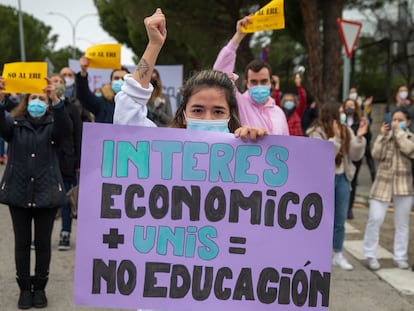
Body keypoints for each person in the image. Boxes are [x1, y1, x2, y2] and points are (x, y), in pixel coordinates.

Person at [0, 76, 71, 309]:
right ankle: (24, 289)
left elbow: (66, 128)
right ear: (25, 100)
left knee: (42, 243)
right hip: (18, 193)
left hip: (47, 194)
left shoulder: (54, 124)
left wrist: (56, 99)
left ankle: (39, 288)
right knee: (22, 243)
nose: (37, 102)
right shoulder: (15, 125)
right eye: (33, 98)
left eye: (41, 98)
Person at [307, 102, 367, 270]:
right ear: (330, 113)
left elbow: (354, 155)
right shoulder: (315, 132)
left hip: (341, 178)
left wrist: (360, 137)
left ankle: (338, 254)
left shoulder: (346, 130)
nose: (343, 114)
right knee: (319, 220)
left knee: (339, 220)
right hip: (322, 181)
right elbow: (322, 157)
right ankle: (317, 254)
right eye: (340, 112)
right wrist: (335, 139)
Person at [213, 15, 289, 135]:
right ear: (247, 83)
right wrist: (238, 36)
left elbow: (287, 146)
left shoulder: (279, 112)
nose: (259, 85)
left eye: (263, 81)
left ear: (270, 83)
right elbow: (219, 74)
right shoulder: (239, 103)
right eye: (254, 82)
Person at [362, 107, 414, 271]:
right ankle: (370, 254)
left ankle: (400, 256)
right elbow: (376, 154)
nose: (396, 123)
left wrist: (399, 133)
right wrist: (383, 136)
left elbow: (409, 150)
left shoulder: (410, 137)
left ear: (408, 122)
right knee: (375, 219)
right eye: (394, 120)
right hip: (382, 183)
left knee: (402, 222)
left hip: (404, 185)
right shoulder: (385, 136)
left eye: (400, 120)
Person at [50, 73, 82, 250]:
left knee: (66, 199)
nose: (57, 84)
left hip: (67, 160)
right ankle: (39, 236)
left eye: (60, 82)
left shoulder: (72, 108)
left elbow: (77, 134)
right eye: (54, 81)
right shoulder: (42, 105)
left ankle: (65, 233)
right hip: (46, 160)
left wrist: (78, 161)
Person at [342, 98, 373, 220]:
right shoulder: (341, 120)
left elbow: (368, 138)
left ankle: (349, 208)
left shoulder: (360, 121)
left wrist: (364, 129)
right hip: (342, 155)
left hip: (355, 156)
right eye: (347, 105)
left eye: (352, 105)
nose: (350, 107)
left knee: (352, 182)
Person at [76, 59, 129, 123]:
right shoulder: (102, 103)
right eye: (116, 78)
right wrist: (83, 72)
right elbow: (84, 96)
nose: (120, 81)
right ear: (110, 82)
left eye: (123, 79)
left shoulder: (136, 104)